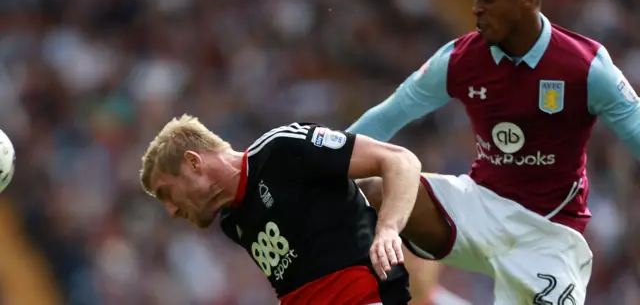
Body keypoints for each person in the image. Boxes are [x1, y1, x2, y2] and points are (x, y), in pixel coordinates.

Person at [348, 0, 640, 305]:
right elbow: (389, 115)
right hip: (480, 205)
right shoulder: (460, 59)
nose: (477, 10)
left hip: (549, 235)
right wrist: (321, 158)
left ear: (527, 0)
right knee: (373, 189)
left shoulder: (587, 66)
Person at [138, 115, 434, 305]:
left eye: (167, 193)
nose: (171, 210)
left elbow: (399, 161)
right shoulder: (233, 221)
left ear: (193, 162)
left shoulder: (282, 150)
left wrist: (388, 230)